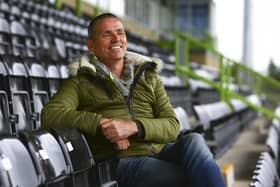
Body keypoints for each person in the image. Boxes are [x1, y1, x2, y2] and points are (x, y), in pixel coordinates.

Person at [41, 13, 225, 187]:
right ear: (91, 45)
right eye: (107, 34)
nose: (116, 39)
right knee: (192, 178)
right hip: (123, 161)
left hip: (160, 151)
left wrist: (134, 127)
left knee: (194, 140)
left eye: (120, 33)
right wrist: (103, 123)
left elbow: (172, 126)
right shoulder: (80, 81)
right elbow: (51, 115)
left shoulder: (148, 76)